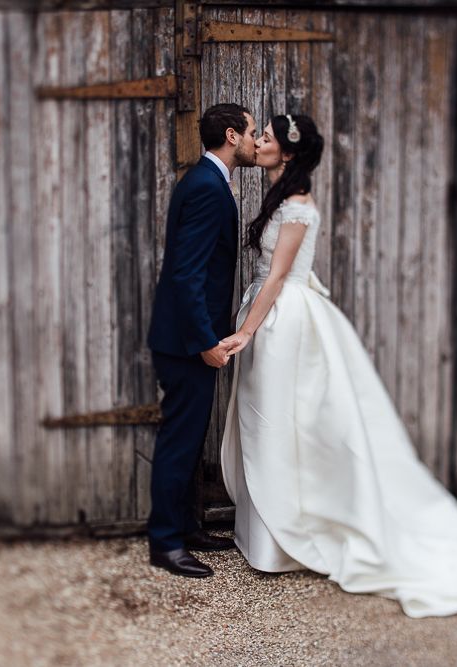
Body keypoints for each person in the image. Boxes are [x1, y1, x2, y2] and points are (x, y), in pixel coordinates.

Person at [220, 113, 457, 617]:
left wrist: (245, 331)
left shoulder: (298, 207)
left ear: (290, 154)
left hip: (282, 320)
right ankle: (264, 534)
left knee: (280, 421)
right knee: (262, 420)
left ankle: (290, 535)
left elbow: (278, 278)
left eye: (267, 138)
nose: (258, 142)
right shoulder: (279, 196)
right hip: (269, 313)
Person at [146, 103, 257, 578]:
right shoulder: (209, 188)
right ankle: (165, 543)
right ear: (231, 136)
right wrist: (205, 341)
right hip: (187, 342)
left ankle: (187, 525)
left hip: (189, 339)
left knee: (190, 441)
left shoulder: (206, 181)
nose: (255, 140)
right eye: (252, 132)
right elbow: (186, 274)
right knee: (179, 441)